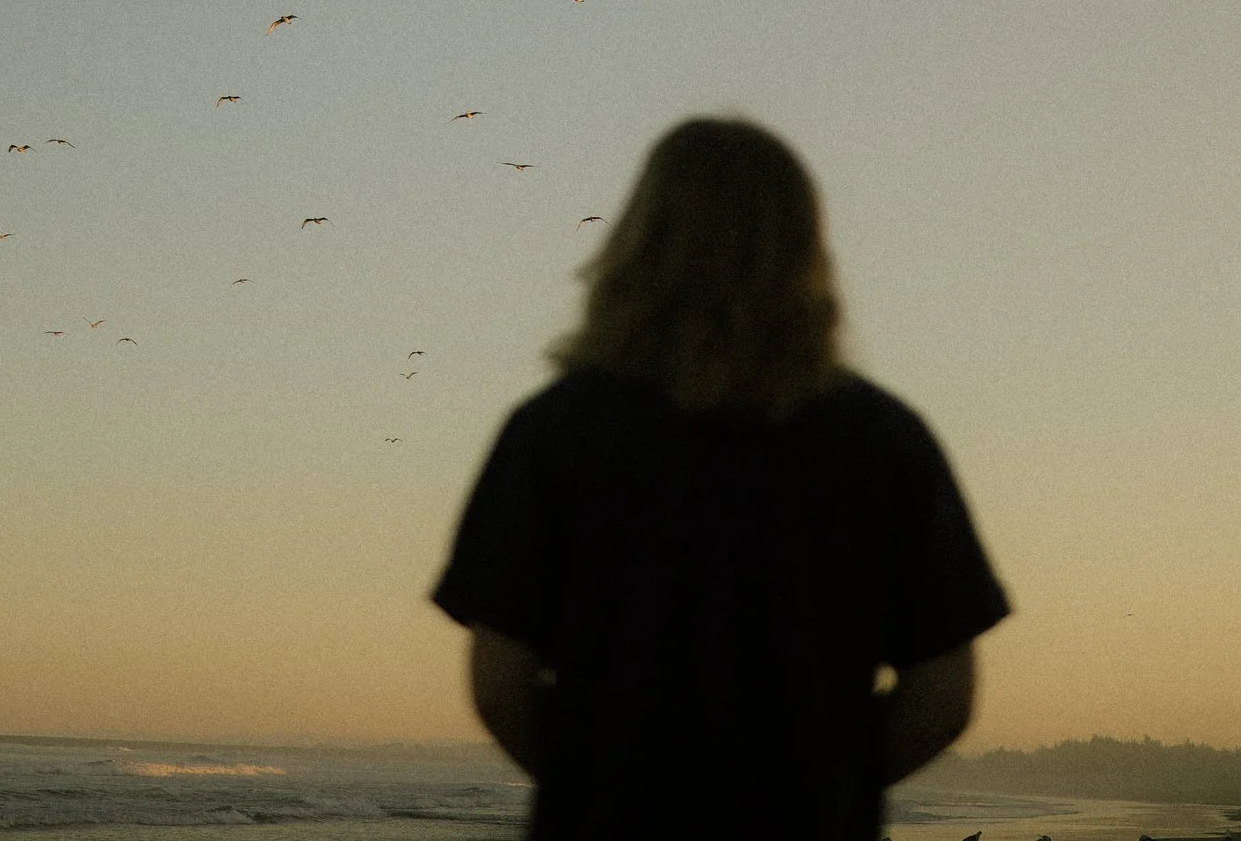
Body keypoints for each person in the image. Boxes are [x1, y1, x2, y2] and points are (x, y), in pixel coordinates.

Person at [431, 116, 1008, 839]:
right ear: (803, 251)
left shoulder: (552, 432)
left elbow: (499, 683)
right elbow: (944, 692)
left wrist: (605, 780)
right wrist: (819, 783)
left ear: (639, 245)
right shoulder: (885, 439)